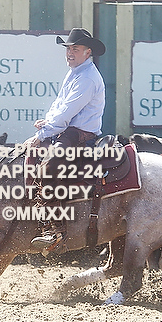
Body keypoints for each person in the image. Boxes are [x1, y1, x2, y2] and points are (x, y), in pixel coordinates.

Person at [23, 27, 106, 249]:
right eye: (68, 49)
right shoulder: (77, 72)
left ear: (88, 52)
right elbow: (59, 105)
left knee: (48, 168)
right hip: (68, 130)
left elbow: (67, 112)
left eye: (75, 49)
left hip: (79, 134)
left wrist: (42, 133)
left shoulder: (87, 78)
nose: (69, 53)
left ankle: (56, 230)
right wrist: (48, 121)